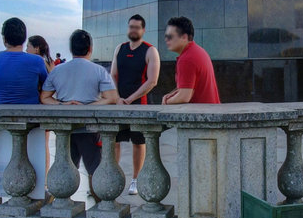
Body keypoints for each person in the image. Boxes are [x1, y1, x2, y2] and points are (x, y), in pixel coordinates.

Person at [40, 29, 118, 177]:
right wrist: (87, 107)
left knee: (64, 173)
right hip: (90, 130)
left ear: (71, 49)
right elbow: (112, 97)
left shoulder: (57, 71)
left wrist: (63, 105)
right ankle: (98, 199)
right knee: (96, 173)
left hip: (65, 129)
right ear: (90, 48)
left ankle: (63, 199)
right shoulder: (99, 71)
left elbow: (44, 97)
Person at [111, 13, 161, 195]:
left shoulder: (150, 51)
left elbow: (152, 81)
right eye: (130, 26)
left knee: (138, 143)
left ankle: (136, 180)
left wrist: (130, 99)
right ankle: (113, 178)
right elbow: (113, 75)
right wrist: (116, 98)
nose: (133, 30)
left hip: (139, 104)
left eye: (136, 27)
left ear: (143, 30)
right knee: (115, 140)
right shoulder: (120, 48)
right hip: (119, 103)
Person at [162, 17, 220, 104]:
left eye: (170, 36)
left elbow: (184, 96)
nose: (166, 40)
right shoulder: (198, 51)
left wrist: (166, 101)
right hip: (211, 111)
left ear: (184, 37)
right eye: (166, 36)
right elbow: (189, 87)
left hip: (201, 114)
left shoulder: (186, 59)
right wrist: (171, 95)